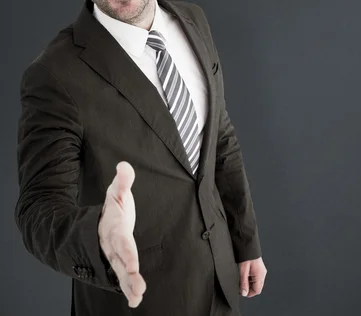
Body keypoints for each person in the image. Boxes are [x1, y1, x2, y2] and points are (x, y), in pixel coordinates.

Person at [15, 0, 267, 314]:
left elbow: (219, 137)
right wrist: (97, 239)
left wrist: (245, 242)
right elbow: (39, 206)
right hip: (138, 302)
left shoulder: (193, 19)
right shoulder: (55, 73)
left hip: (220, 285)